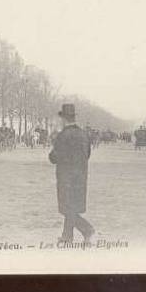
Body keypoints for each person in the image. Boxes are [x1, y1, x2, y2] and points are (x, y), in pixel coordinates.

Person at [49, 104, 95, 243]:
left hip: (66, 177)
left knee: (67, 207)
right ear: (74, 118)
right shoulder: (83, 134)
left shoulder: (62, 136)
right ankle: (67, 236)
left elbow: (54, 158)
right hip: (80, 177)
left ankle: (87, 229)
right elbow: (87, 154)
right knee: (73, 206)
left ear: (63, 119)